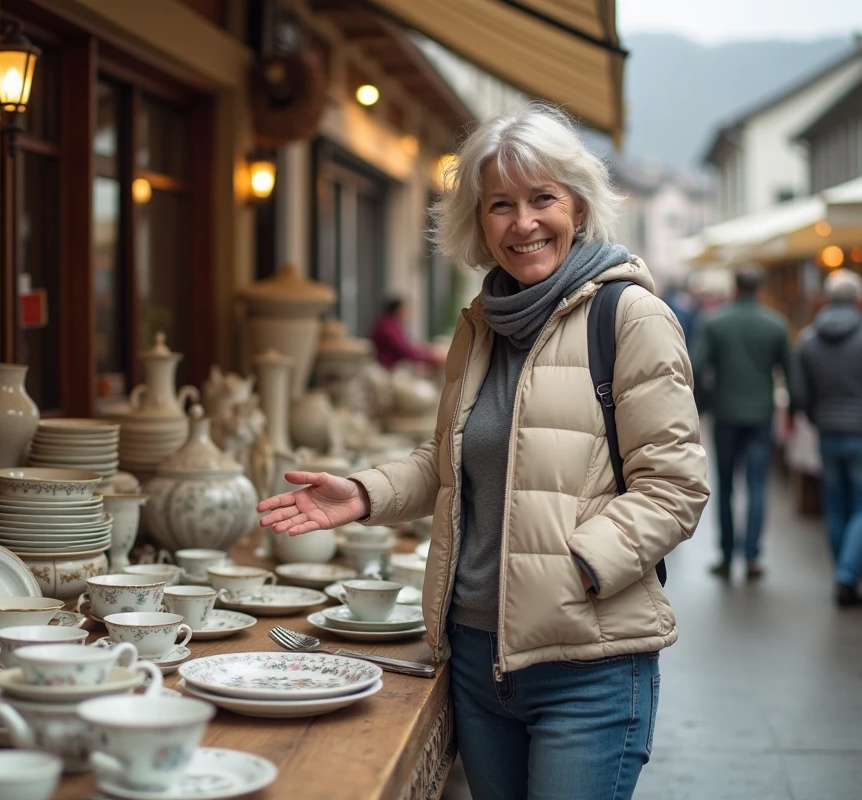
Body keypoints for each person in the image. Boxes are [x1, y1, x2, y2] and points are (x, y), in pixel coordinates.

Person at [258, 104, 709, 800]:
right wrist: (365, 493)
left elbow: (675, 489)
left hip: (585, 664)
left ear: (579, 204)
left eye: (542, 198)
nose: (523, 222)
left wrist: (580, 566)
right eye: (501, 204)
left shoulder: (630, 316)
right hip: (473, 661)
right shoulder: (481, 326)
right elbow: (448, 459)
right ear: (478, 219)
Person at [792, 269, 862, 608]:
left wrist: (817, 416)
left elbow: (799, 392)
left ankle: (844, 574)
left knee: (837, 507)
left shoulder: (809, 339)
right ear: (859, 300)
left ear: (827, 300)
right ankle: (847, 577)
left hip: (828, 434)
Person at [691, 267, 793, 581]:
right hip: (761, 413)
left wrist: (708, 400)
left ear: (735, 288)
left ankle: (725, 554)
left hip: (726, 414)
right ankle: (752, 556)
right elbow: (790, 372)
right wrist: (795, 411)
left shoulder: (715, 322)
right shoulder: (776, 324)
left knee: (725, 487)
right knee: (757, 486)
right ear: (760, 289)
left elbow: (695, 367)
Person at [369, 298, 442, 370]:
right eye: (404, 310)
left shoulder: (390, 324)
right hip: (388, 368)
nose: (407, 314)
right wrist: (430, 356)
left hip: (392, 365)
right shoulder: (388, 326)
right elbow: (404, 349)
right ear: (398, 310)